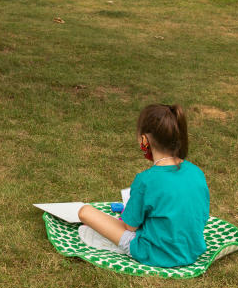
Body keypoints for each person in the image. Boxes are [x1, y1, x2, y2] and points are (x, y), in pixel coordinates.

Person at [77, 104, 210, 267]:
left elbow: (130, 227)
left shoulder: (146, 180)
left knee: (85, 212)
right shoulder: (196, 172)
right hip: (191, 251)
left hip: (154, 253)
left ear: (144, 140)